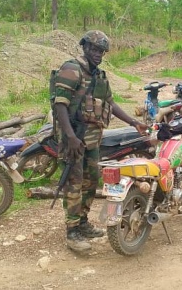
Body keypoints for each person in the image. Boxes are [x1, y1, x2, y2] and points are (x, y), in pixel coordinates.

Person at [51, 30, 148, 253]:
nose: (97, 54)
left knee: (92, 180)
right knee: (74, 183)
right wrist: (71, 136)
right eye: (94, 49)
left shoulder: (100, 75)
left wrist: (134, 123)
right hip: (74, 139)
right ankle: (72, 230)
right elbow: (60, 105)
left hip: (92, 140)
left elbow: (110, 104)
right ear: (84, 47)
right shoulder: (72, 69)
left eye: (101, 51)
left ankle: (83, 222)